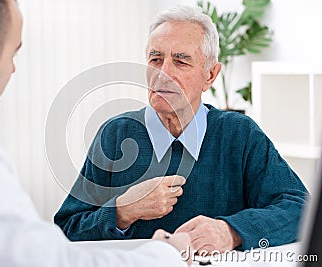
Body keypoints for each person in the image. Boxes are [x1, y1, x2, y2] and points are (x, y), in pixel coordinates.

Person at [0, 0, 192, 266]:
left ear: (211, 75)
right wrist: (162, 251)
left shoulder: (235, 130)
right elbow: (54, 251)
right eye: (12, 55)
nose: (13, 69)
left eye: (182, 62)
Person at [54, 5, 308, 254]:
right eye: (156, 59)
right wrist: (124, 210)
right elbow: (67, 228)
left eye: (180, 61)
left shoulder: (239, 135)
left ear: (210, 75)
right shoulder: (115, 134)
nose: (163, 73)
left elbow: (300, 208)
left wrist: (230, 231)